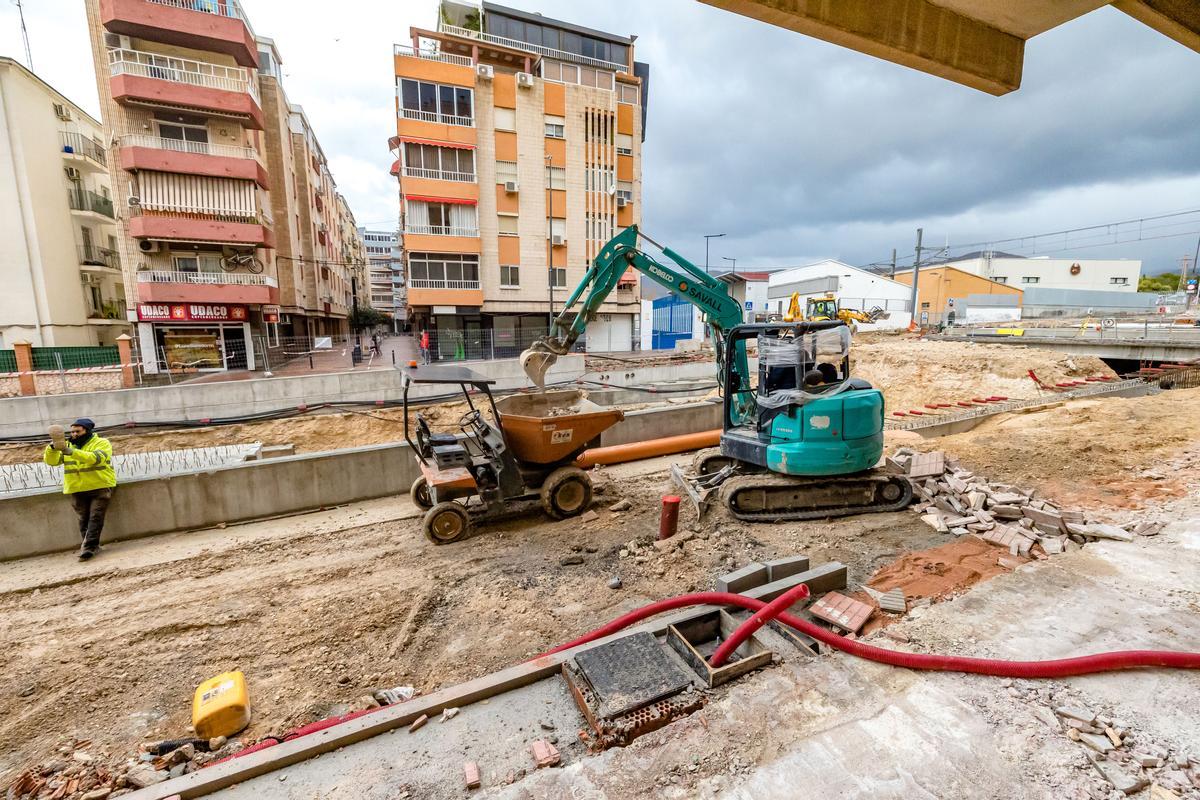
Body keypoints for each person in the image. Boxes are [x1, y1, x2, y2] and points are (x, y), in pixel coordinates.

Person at [43, 419, 116, 561]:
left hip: (99, 486)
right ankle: (91, 546)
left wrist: (71, 452)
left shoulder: (102, 443)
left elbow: (96, 458)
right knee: (84, 519)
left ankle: (88, 548)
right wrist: (52, 448)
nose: (74, 434)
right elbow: (52, 462)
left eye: (78, 431)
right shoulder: (66, 445)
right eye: (72, 431)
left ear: (87, 431)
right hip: (76, 488)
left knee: (95, 517)